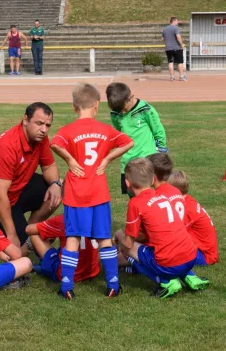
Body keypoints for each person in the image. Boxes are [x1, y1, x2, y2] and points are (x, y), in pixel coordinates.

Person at [50, 83, 134, 300]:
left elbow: (55, 144)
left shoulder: (67, 130)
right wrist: (107, 159)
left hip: (76, 194)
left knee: (73, 238)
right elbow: (128, 142)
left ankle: (67, 286)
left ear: (74, 107)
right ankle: (113, 284)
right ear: (97, 105)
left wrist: (69, 159)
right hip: (98, 193)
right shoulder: (105, 130)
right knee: (104, 238)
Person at [0, 102, 62, 255]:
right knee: (20, 252)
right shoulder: (7, 146)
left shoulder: (40, 138)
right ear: (25, 120)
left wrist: (56, 184)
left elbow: (48, 167)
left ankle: (30, 232)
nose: (44, 130)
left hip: (15, 192)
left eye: (48, 125)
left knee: (56, 191)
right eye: (39, 123)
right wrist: (12, 235)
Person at [114, 158, 199, 299]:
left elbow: (128, 243)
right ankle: (189, 276)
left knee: (126, 248)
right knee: (166, 247)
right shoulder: (162, 196)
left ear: (127, 183)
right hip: (191, 257)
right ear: (152, 180)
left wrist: (118, 234)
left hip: (169, 263)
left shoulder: (135, 204)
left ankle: (166, 282)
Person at [106, 82, 167, 198]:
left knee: (151, 198)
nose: (122, 113)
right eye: (120, 111)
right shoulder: (116, 113)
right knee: (134, 199)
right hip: (127, 164)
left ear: (131, 97)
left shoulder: (145, 109)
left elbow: (158, 131)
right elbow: (118, 134)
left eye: (124, 109)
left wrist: (161, 153)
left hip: (147, 161)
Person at [25, 214, 100, 284]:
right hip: (92, 272)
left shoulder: (63, 219)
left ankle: (42, 264)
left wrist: (49, 227)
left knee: (34, 235)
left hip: (66, 274)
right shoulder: (96, 216)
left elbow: (28, 230)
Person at [162, 17, 187, 81]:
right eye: (177, 21)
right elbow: (178, 36)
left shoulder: (164, 29)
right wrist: (181, 45)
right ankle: (181, 76)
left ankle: (172, 77)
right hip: (176, 47)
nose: (178, 23)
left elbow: (163, 38)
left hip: (168, 48)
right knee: (180, 62)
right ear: (174, 21)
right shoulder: (176, 28)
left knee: (170, 62)